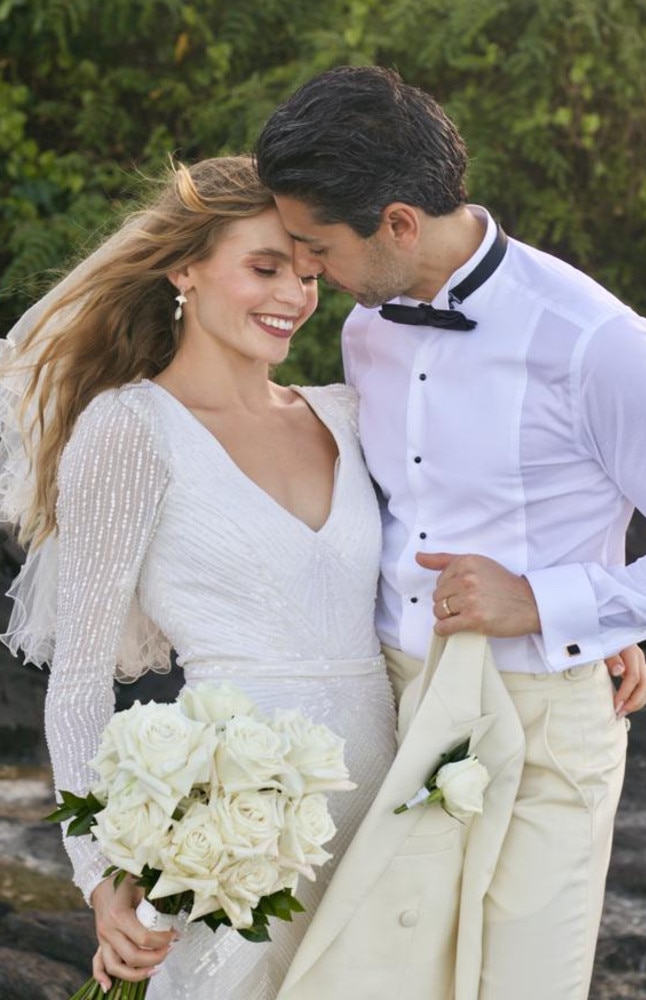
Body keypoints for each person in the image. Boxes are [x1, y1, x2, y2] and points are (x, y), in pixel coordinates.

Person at [255, 65, 646, 999]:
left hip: (549, 722)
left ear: (397, 222)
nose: (308, 271)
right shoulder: (365, 328)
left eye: (316, 246)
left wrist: (562, 603)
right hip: (396, 706)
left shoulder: (599, 342)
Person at [0, 156, 397, 998]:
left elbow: (462, 539)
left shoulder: (348, 414)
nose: (293, 295)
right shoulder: (129, 428)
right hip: (234, 840)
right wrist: (99, 872)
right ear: (185, 268)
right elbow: (77, 683)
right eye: (264, 268)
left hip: (386, 825)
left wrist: (579, 626)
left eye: (308, 273)